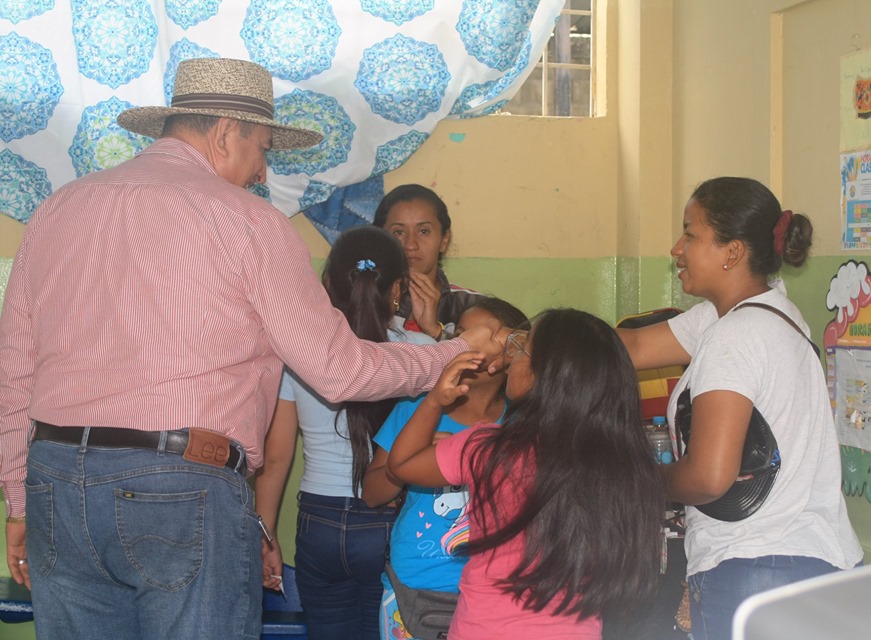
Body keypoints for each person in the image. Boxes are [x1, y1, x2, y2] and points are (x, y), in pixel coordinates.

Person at [0, 57, 502, 640]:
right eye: (261, 148)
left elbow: (13, 371)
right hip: (182, 485)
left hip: (57, 480)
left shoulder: (58, 210)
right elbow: (339, 370)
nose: (262, 171)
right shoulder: (250, 222)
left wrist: (18, 499)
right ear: (225, 133)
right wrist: (451, 352)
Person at [616, 177, 863, 640]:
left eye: (690, 235)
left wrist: (636, 481)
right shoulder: (762, 312)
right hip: (816, 563)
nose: (676, 249)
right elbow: (631, 347)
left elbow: (709, 477)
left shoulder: (733, 337)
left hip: (758, 569)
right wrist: (524, 341)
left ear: (731, 252)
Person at [385, 308, 666, 639]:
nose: (511, 357)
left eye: (522, 349)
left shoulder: (491, 448)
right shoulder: (623, 466)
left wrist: (434, 400)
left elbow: (401, 464)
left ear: (538, 375)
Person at [255, 225, 436, 640]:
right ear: (398, 289)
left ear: (326, 284)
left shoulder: (299, 353)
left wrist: (266, 535)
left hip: (318, 524)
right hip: (392, 520)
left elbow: (276, 457)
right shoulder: (425, 353)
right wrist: (438, 331)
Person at [362, 297, 528, 640]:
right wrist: (410, 462)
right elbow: (371, 494)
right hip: (414, 587)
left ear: (511, 353)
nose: (465, 345)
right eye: (460, 335)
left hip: (494, 593)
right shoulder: (418, 408)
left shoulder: (522, 421)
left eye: (481, 338)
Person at [373, 184, 486, 340]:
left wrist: (437, 332)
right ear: (380, 240)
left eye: (423, 231)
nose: (411, 245)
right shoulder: (360, 302)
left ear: (444, 240)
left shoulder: (473, 307)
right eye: (399, 232)